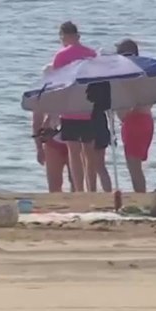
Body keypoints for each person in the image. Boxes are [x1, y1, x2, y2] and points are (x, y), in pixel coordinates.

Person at [50, 21, 100, 192]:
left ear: (63, 36)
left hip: (70, 108)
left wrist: (54, 112)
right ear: (77, 35)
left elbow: (57, 84)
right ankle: (92, 188)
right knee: (89, 153)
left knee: (74, 153)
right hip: (89, 107)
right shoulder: (91, 54)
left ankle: (79, 189)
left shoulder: (61, 56)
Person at [115, 38, 155, 193]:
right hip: (146, 120)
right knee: (136, 164)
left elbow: (126, 103)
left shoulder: (126, 74)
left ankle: (140, 195)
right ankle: (141, 193)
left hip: (134, 121)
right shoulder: (145, 73)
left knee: (133, 165)